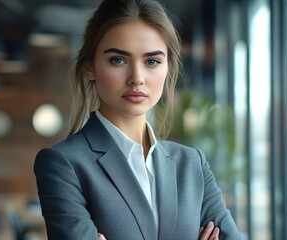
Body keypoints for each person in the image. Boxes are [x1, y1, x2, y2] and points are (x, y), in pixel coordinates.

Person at [34, 0, 242, 239]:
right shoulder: (64, 164)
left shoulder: (192, 164)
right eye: (118, 60)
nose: (137, 78)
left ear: (168, 68)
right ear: (90, 66)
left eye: (152, 61)